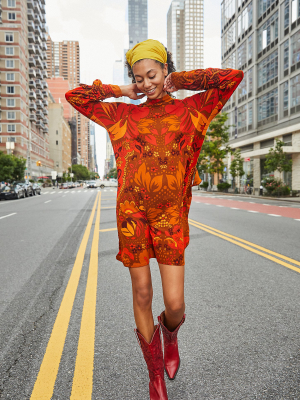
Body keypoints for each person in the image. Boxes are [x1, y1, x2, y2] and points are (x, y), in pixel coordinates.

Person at [66, 39, 243, 400]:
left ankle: (170, 333)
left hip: (171, 215)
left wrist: (185, 80)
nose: (146, 84)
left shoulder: (193, 110)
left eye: (152, 75)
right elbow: (75, 96)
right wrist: (120, 90)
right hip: (132, 214)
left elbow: (231, 77)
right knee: (143, 293)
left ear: (165, 71)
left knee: (175, 304)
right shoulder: (121, 115)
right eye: (139, 78)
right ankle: (154, 375)